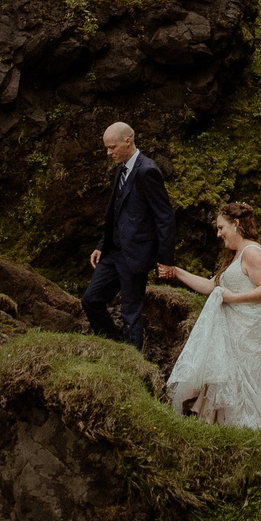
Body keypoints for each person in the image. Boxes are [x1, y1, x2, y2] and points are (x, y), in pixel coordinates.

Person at [158, 203, 261, 441]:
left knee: (252, 384)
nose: (218, 234)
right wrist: (176, 272)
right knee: (237, 382)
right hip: (237, 334)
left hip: (252, 334)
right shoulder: (236, 257)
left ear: (236, 225)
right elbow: (209, 285)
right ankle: (235, 434)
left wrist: (234, 298)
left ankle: (256, 435)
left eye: (221, 227)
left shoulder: (252, 252)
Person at [82, 121, 175, 351]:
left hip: (136, 255)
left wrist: (165, 260)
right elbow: (115, 213)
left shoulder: (147, 171)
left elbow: (164, 217)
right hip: (113, 253)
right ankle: (115, 345)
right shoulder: (121, 168)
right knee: (91, 300)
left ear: (128, 141)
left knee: (130, 313)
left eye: (112, 147)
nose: (108, 153)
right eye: (106, 148)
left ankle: (134, 362)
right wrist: (102, 245)